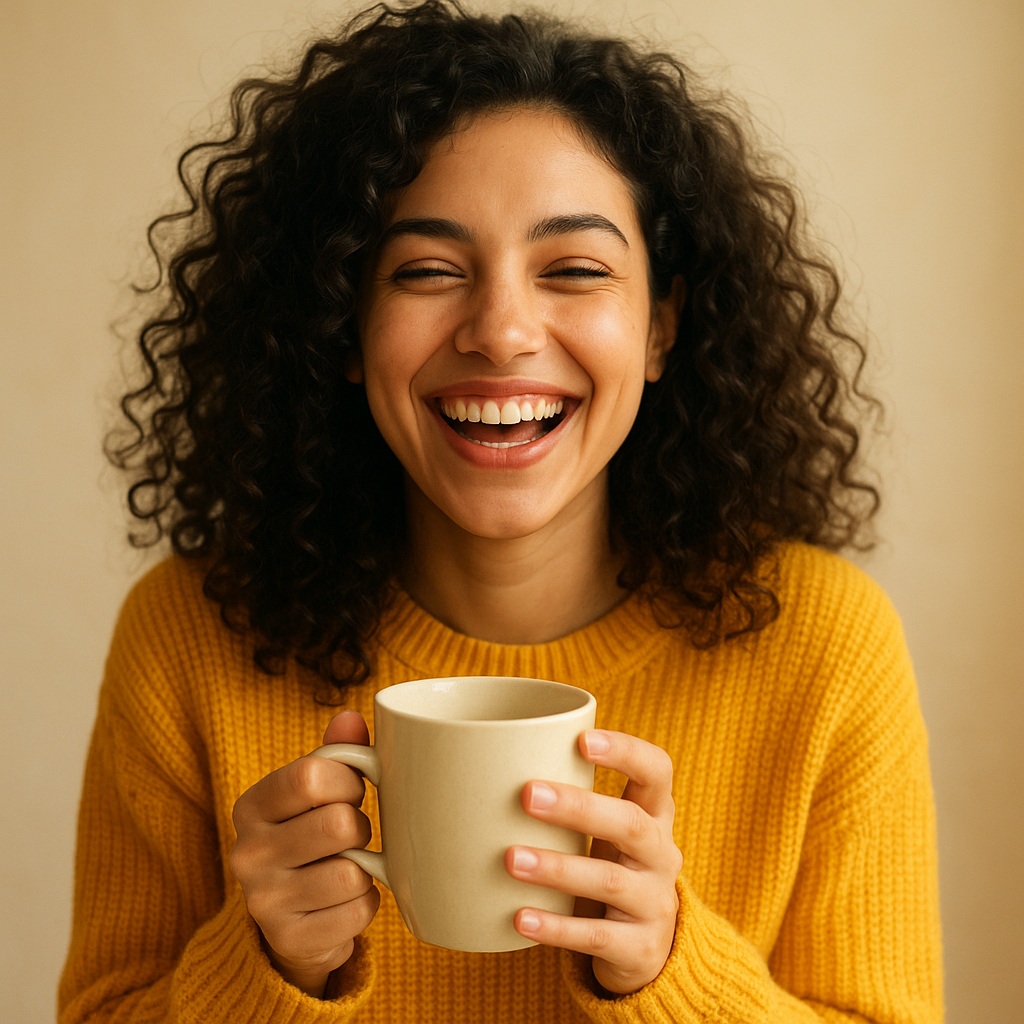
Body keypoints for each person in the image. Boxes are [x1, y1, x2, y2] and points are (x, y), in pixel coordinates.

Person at [58, 2, 943, 1021]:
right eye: (428, 271)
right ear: (341, 326)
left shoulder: (826, 645)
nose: (501, 330)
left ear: (660, 327)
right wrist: (264, 968)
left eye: (573, 269)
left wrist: (673, 973)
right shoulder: (186, 636)